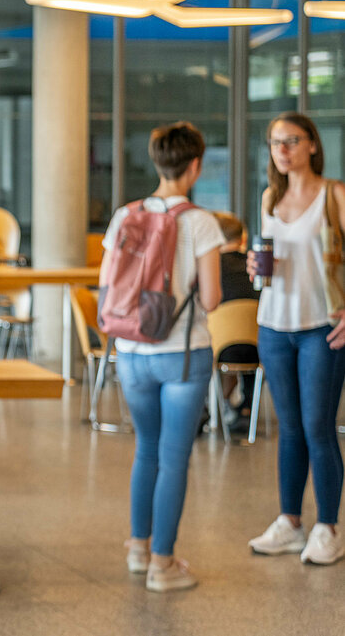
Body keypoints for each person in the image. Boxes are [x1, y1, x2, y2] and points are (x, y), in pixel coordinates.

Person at [101, 122, 223, 593]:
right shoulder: (201, 222)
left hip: (131, 351)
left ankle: (138, 548)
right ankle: (163, 564)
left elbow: (110, 286)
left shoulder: (124, 215)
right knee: (174, 458)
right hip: (182, 356)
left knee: (146, 451)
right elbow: (211, 299)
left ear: (157, 162)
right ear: (194, 166)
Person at [246, 111, 345, 566]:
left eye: (290, 141)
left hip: (321, 328)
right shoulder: (270, 197)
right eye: (274, 142)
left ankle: (327, 527)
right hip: (273, 326)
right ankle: (290, 522)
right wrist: (253, 268)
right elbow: (266, 261)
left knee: (318, 428)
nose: (281, 150)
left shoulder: (335, 194)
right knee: (288, 430)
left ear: (311, 145)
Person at [213, 211, 260, 435]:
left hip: (218, 351)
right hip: (258, 352)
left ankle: (207, 408)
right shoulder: (255, 267)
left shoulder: (211, 268)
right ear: (242, 239)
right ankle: (247, 408)